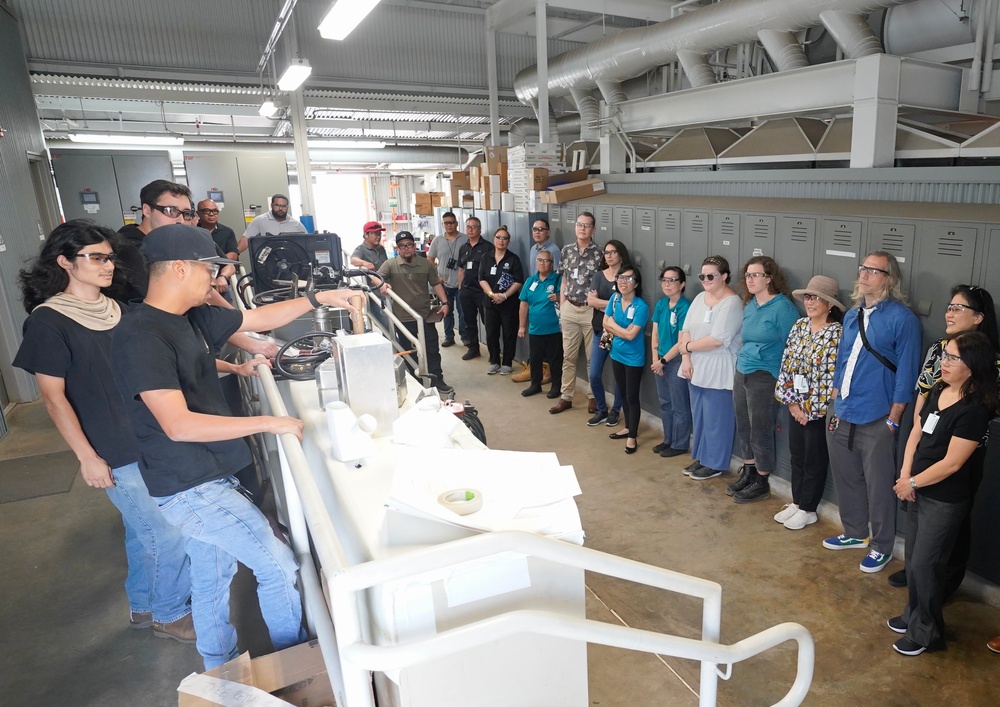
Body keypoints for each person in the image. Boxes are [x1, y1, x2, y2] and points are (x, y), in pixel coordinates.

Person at [112, 223, 357, 670]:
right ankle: (297, 666)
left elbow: (258, 320)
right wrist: (270, 422)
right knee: (279, 565)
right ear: (181, 269)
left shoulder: (190, 317)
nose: (218, 279)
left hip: (208, 473)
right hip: (189, 485)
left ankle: (218, 668)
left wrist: (321, 298)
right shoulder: (140, 337)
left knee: (212, 576)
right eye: (211, 269)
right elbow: (178, 425)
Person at [13, 220, 195, 643]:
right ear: (64, 262)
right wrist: (87, 457)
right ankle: (170, 613)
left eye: (109, 256)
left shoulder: (120, 309)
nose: (108, 265)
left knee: (141, 530)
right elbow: (54, 399)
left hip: (145, 435)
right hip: (111, 447)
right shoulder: (49, 321)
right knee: (166, 531)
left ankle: (144, 605)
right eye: (96, 257)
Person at [886, 331, 997, 656]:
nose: (943, 362)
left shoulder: (976, 408)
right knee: (915, 557)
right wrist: (905, 474)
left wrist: (914, 482)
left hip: (943, 498)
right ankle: (914, 615)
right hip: (916, 488)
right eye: (944, 355)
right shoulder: (938, 389)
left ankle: (927, 634)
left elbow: (952, 463)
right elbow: (916, 432)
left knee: (927, 564)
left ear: (973, 365)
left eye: (952, 358)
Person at [887, 285, 999, 590]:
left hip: (961, 450)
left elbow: (981, 408)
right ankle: (916, 571)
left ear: (978, 318)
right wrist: (918, 427)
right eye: (948, 306)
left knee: (951, 522)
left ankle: (944, 581)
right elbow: (924, 389)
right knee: (918, 510)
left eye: (958, 308)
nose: (949, 312)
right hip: (926, 435)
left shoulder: (988, 359)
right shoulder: (938, 348)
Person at [823, 251, 922, 574]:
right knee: (846, 476)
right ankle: (854, 532)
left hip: (878, 416)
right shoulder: (852, 316)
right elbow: (842, 363)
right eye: (862, 269)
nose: (864, 275)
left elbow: (907, 374)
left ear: (888, 279)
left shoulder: (902, 319)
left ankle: (881, 546)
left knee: (879, 486)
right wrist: (833, 405)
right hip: (844, 411)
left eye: (873, 271)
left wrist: (894, 418)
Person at [773, 276, 844, 530]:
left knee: (814, 459)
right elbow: (787, 364)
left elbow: (830, 376)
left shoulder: (837, 333)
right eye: (808, 297)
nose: (810, 302)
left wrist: (810, 410)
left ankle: (808, 508)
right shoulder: (800, 326)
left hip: (818, 410)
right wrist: (793, 404)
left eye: (817, 298)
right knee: (797, 456)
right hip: (796, 405)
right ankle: (797, 500)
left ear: (830, 304)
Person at [728, 256, 799, 504]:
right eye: (747, 275)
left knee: (760, 428)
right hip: (743, 369)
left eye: (755, 275)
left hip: (766, 375)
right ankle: (748, 469)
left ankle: (762, 478)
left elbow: (793, 346)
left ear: (769, 278)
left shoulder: (783, 308)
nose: (750, 279)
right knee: (743, 423)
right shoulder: (750, 305)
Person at [678, 256, 743, 480]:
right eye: (702, 276)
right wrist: (686, 357)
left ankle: (715, 463)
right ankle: (703, 457)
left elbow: (718, 339)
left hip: (719, 367)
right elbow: (685, 328)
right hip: (695, 365)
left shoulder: (732, 302)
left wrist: (686, 347)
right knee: (700, 416)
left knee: (718, 419)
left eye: (711, 276)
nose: (705, 280)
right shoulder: (699, 298)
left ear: (724, 276)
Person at [377, 231, 453, 394]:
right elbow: (375, 277)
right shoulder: (390, 264)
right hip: (403, 318)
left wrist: (445, 303)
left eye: (409, 245)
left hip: (425, 316)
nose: (406, 249)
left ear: (414, 246)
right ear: (398, 248)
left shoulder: (425, 264)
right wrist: (383, 284)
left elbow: (436, 284)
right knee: (408, 351)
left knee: (432, 349)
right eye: (403, 246)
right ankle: (415, 381)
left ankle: (436, 379)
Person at [551, 211, 603, 415]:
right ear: (575, 227)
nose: (582, 228)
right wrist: (563, 305)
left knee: (592, 358)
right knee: (568, 357)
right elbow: (563, 279)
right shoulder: (566, 250)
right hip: (570, 309)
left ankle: (593, 397)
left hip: (590, 311)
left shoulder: (599, 253)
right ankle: (566, 397)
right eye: (579, 224)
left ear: (593, 230)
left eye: (587, 225)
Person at [113, 179, 200, 302]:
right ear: (147, 210)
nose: (180, 220)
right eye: (171, 211)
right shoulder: (129, 248)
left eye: (186, 213)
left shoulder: (167, 242)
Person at [604, 265, 649, 454]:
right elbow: (605, 323)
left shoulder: (641, 307)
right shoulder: (614, 299)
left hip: (633, 358)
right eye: (621, 278)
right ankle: (628, 427)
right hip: (616, 354)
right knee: (621, 393)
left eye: (629, 279)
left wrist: (614, 326)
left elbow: (632, 336)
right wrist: (618, 328)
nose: (623, 282)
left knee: (632, 397)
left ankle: (632, 436)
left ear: (636, 283)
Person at [586, 240, 629, 428]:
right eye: (606, 252)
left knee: (619, 375)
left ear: (620, 254)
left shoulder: (627, 276)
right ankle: (602, 409)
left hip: (619, 333)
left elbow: (626, 302)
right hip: (601, 332)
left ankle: (616, 410)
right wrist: (612, 303)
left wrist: (601, 302)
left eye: (613, 252)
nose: (609, 256)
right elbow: (590, 302)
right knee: (594, 373)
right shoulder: (598, 276)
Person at [650, 266, 691, 458]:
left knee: (679, 405)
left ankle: (680, 443)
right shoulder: (661, 304)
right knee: (665, 402)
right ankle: (668, 439)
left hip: (675, 362)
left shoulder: (685, 307)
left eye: (672, 280)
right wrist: (655, 359)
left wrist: (664, 361)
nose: (667, 284)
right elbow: (655, 333)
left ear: (682, 284)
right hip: (660, 361)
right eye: (664, 280)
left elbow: (682, 341)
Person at [479, 226, 524, 375]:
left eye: (505, 238)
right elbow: (482, 279)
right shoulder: (486, 257)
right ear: (494, 239)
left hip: (509, 304)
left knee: (509, 334)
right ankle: (494, 361)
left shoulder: (513, 259)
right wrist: (492, 294)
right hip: (490, 303)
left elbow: (518, 281)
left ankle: (507, 363)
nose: (501, 241)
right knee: (491, 334)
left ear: (508, 241)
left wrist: (504, 296)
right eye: (498, 237)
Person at [518, 248, 562, 397]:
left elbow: (568, 299)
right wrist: (522, 326)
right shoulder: (531, 281)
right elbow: (523, 304)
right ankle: (535, 384)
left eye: (546, 261)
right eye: (539, 260)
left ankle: (556, 386)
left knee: (555, 359)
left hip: (554, 328)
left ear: (551, 264)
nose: (542, 263)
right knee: (535, 359)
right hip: (535, 329)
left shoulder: (557, 279)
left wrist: (558, 297)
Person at [426, 211, 468, 347]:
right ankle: (449, 336)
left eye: (452, 222)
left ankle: (465, 336)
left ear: (456, 223)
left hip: (462, 283)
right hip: (444, 284)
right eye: (446, 223)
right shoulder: (437, 240)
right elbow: (430, 260)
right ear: (443, 225)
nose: (449, 225)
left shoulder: (465, 239)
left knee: (463, 312)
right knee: (446, 311)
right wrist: (435, 277)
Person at [457, 216, 493, 361]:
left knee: (488, 322)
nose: (470, 230)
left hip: (482, 292)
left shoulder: (487, 247)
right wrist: (460, 287)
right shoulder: (463, 248)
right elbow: (461, 269)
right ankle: (474, 349)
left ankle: (493, 351)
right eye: (468, 227)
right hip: (467, 291)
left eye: (474, 227)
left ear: (479, 229)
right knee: (469, 322)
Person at [196, 199, 239, 301]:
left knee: (227, 311)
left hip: (220, 278)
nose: (211, 214)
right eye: (207, 211)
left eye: (215, 211)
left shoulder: (227, 232)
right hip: (198, 281)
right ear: (198, 213)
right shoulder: (194, 232)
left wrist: (217, 267)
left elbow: (233, 255)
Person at [237, 193, 306, 253]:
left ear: (287, 207)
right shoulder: (259, 221)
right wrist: (233, 254)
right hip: (267, 262)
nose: (280, 209)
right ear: (272, 205)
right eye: (277, 205)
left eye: (283, 206)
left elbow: (308, 243)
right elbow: (245, 240)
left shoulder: (296, 224)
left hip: (291, 261)